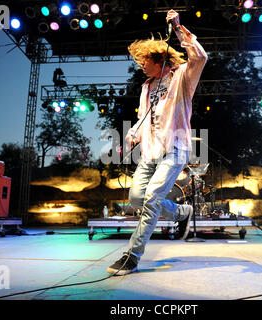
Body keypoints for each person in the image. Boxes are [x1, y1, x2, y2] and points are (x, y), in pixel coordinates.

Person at [107, 9, 207, 276]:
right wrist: (132, 136)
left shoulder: (182, 76)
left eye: (144, 60)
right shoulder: (146, 87)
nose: (140, 64)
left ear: (159, 59)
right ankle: (181, 212)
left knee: (151, 198)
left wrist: (177, 28)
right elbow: (146, 119)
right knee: (137, 198)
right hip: (151, 152)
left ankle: (132, 256)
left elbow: (201, 56)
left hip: (175, 149)